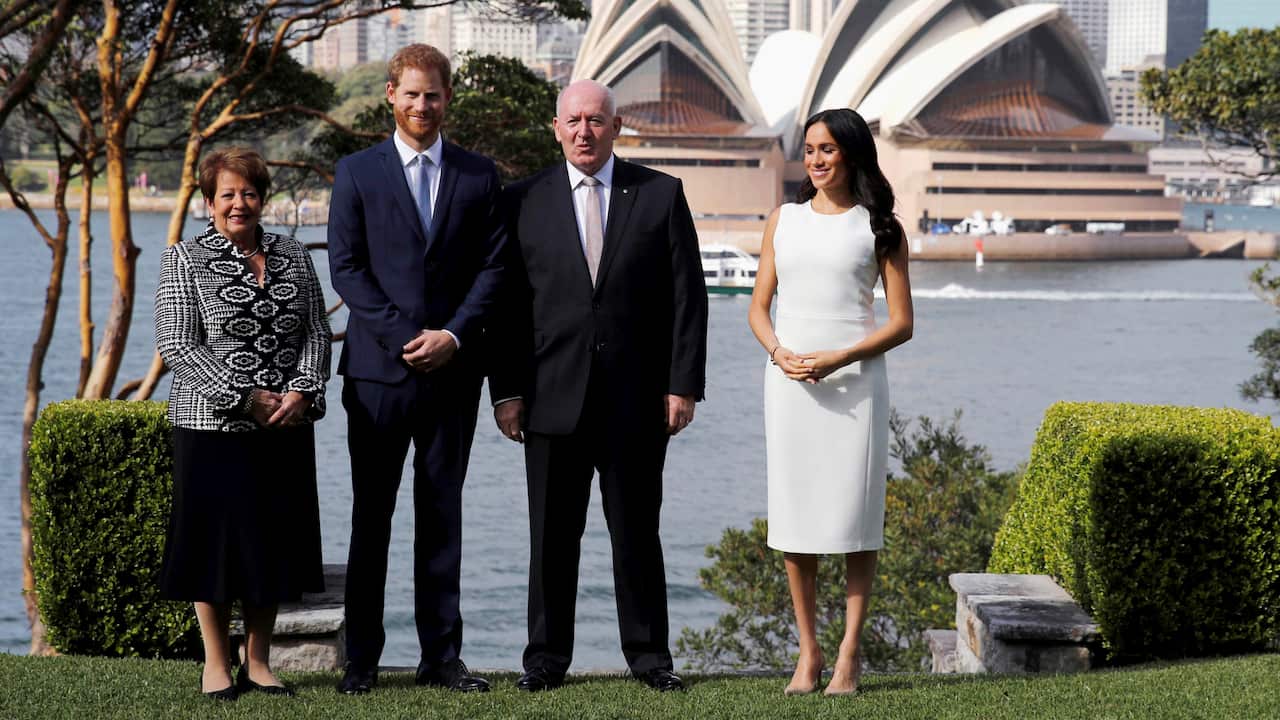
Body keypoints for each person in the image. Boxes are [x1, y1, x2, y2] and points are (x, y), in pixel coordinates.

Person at [488, 79, 708, 693]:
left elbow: (688, 299)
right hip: (549, 399)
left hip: (637, 403)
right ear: (556, 128)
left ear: (617, 127)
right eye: (573, 120)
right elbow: (506, 308)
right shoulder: (521, 200)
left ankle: (649, 660)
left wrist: (682, 385)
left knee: (637, 536)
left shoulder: (661, 195)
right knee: (551, 541)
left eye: (596, 120)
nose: (585, 130)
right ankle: (545, 662)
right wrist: (505, 390)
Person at [327, 43, 505, 695]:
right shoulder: (356, 173)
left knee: (441, 518)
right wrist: (411, 338)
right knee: (371, 519)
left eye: (433, 94)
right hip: (377, 378)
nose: (422, 105)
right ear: (390, 96)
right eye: (411, 94)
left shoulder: (480, 175)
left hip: (453, 378)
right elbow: (346, 267)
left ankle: (441, 659)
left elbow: (495, 268)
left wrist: (453, 336)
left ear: (447, 97)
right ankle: (362, 663)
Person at [747, 108, 914, 696]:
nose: (816, 160)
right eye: (810, 149)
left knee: (855, 520)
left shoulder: (881, 227)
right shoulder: (782, 220)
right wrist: (779, 353)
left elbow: (901, 324)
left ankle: (849, 655)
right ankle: (808, 653)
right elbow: (758, 307)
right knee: (795, 519)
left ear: (851, 154)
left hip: (855, 387)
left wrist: (837, 358)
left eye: (828, 150)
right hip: (790, 386)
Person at [155, 147, 332, 701]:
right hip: (211, 429)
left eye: (249, 193)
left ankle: (259, 662)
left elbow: (317, 332)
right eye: (227, 194)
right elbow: (177, 345)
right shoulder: (183, 259)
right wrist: (244, 398)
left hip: (283, 427)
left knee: (271, 545)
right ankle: (215, 664)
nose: (239, 203)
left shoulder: (293, 254)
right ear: (209, 203)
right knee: (213, 549)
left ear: (262, 200)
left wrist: (303, 390)